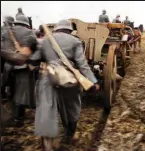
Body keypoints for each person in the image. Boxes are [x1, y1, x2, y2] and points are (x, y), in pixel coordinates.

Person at [29, 19, 99, 151]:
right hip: (68, 79)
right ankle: (70, 134)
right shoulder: (75, 41)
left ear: (57, 28)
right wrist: (93, 82)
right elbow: (82, 65)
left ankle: (47, 142)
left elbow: (34, 60)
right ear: (69, 29)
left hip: (48, 78)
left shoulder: (45, 41)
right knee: (72, 107)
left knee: (46, 109)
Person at [1, 14, 38, 127]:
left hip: (7, 66)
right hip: (22, 67)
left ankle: (14, 114)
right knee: (21, 93)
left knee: (10, 91)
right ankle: (17, 118)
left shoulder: (5, 31)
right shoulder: (29, 33)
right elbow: (34, 50)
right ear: (26, 24)